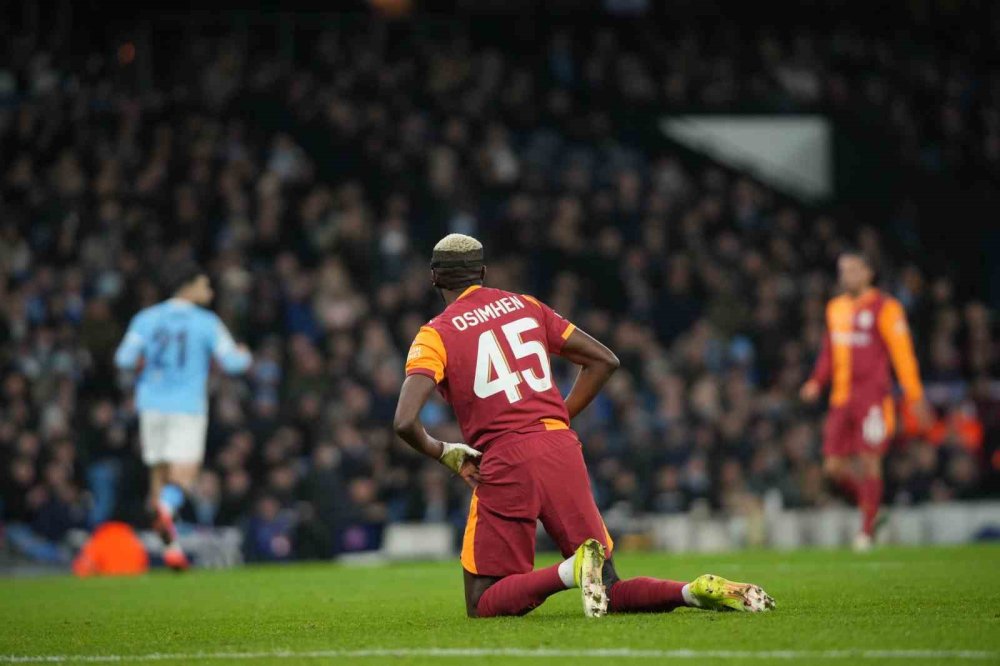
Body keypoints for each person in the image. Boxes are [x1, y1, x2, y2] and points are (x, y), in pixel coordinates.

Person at [393, 234, 774, 618]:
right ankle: (692, 591)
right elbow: (604, 361)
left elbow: (405, 422)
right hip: (560, 447)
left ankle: (567, 572)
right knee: (610, 587)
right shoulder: (526, 306)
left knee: (482, 601)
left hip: (506, 459)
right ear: (484, 272)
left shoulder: (435, 334)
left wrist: (446, 453)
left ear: (434, 278)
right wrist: (556, 418)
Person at [114, 262, 252, 569]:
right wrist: (245, 354)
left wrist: (148, 371)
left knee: (159, 476)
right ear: (188, 286)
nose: (209, 291)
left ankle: (171, 550)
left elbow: (123, 358)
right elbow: (232, 364)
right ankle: (165, 511)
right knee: (185, 476)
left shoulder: (146, 319)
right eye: (205, 285)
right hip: (186, 407)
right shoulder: (206, 322)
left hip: (150, 404)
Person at [801, 250, 932, 552]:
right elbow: (829, 352)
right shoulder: (835, 308)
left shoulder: (886, 307)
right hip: (841, 399)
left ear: (868, 273)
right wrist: (815, 381)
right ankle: (872, 508)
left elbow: (902, 353)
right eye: (842, 270)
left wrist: (915, 395)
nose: (847, 276)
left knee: (870, 460)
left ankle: (866, 531)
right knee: (832, 468)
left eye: (853, 269)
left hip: (873, 398)